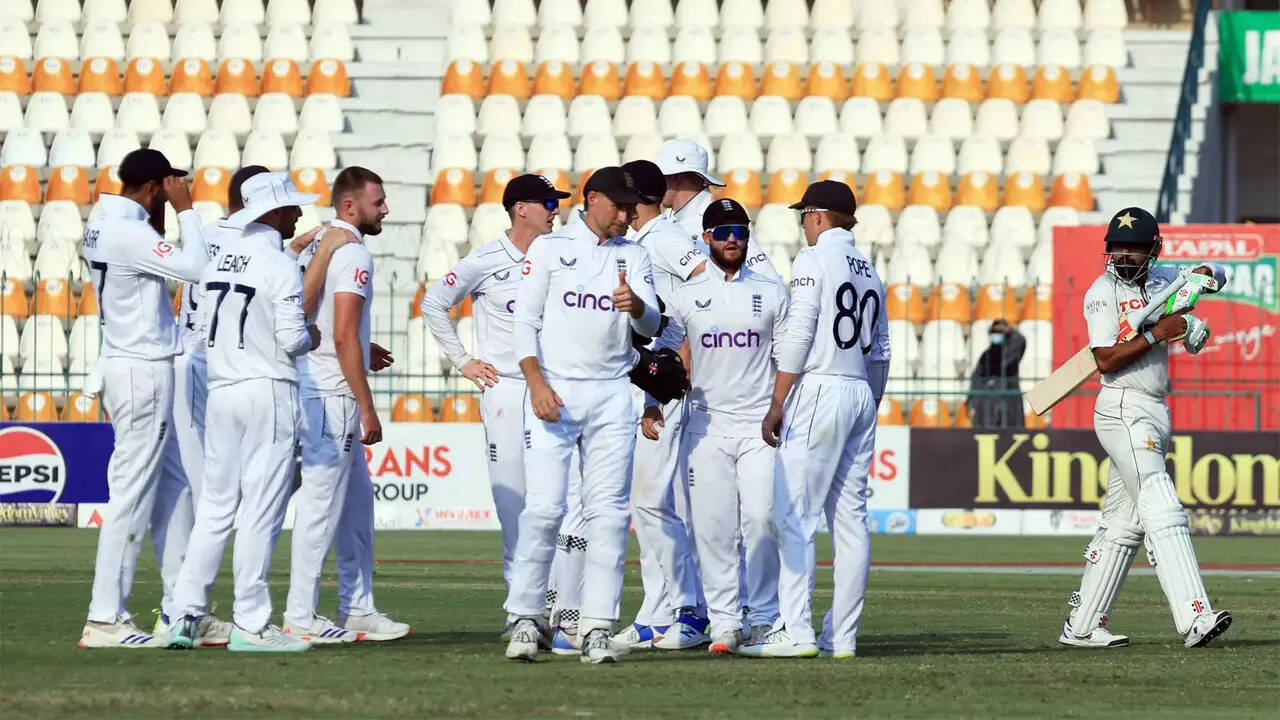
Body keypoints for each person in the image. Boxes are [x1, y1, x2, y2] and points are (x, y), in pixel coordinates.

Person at [421, 173, 587, 649]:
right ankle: (524, 613)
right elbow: (435, 302)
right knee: (514, 502)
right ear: (520, 209)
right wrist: (464, 360)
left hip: (551, 390)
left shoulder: (560, 257)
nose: (555, 211)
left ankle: (561, 608)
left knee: (559, 501)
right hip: (506, 392)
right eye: (547, 204)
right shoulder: (488, 259)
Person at [503, 166, 659, 664]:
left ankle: (596, 626)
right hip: (557, 392)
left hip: (614, 393)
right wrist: (536, 385)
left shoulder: (634, 255)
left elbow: (653, 322)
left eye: (631, 205)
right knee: (545, 509)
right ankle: (526, 619)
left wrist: (636, 306)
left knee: (610, 515)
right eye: (619, 204)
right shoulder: (550, 249)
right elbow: (524, 322)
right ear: (592, 200)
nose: (628, 213)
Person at [1060, 207, 1231, 649]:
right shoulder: (1101, 292)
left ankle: (1083, 626)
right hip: (1121, 407)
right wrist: (1159, 333)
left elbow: (1216, 274)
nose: (1123, 255)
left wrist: (1200, 288)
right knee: (1162, 503)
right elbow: (1105, 359)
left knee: (1124, 523)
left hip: (1153, 406)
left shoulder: (1164, 280)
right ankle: (1195, 617)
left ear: (1152, 250)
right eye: (1117, 247)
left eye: (1134, 249)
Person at [164, 172, 321, 652]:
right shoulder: (279, 264)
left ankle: (185, 615)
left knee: (215, 507)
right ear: (270, 212)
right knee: (260, 509)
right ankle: (251, 625)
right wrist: (316, 337)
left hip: (221, 390)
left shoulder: (215, 258)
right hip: (267, 390)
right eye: (291, 206)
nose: (297, 213)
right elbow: (294, 339)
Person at [78, 149, 211, 649]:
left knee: (174, 484)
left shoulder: (108, 219)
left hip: (134, 363)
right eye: (170, 183)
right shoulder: (130, 231)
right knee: (131, 494)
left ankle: (183, 608)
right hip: (142, 371)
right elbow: (196, 267)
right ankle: (105, 616)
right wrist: (188, 209)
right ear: (155, 187)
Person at [750, 180, 889, 659]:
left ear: (817, 216)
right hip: (859, 392)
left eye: (803, 216)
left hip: (821, 388)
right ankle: (842, 638)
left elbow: (801, 330)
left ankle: (796, 630)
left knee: (795, 516)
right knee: (851, 522)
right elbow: (881, 353)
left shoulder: (813, 260)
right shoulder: (870, 270)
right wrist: (867, 404)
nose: (803, 226)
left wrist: (778, 399)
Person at [284, 167, 410, 643]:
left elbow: (316, 313)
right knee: (320, 508)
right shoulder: (352, 250)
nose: (386, 210)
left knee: (356, 507)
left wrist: (363, 340)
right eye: (378, 202)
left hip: (321, 385)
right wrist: (367, 405)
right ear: (351, 207)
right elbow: (338, 334)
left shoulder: (323, 247)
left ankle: (358, 609)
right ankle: (300, 615)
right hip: (332, 395)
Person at [655, 198, 786, 655]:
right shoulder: (686, 296)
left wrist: (781, 407)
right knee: (713, 529)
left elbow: (789, 359)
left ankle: (766, 617)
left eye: (741, 231)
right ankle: (727, 623)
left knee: (762, 521)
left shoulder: (771, 291)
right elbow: (666, 356)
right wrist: (653, 404)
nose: (734, 238)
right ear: (706, 237)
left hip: (759, 429)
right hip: (705, 428)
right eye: (724, 230)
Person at [153, 164, 272, 646]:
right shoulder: (250, 245)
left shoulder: (211, 235)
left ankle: (181, 610)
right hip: (208, 364)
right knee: (210, 498)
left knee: (204, 496)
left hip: (198, 363)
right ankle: (180, 612)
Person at [612, 159, 711, 651]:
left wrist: (684, 345)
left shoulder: (665, 237)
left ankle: (691, 610)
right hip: (643, 374)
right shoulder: (640, 243)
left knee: (653, 501)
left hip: (664, 378)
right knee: (644, 504)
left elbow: (705, 278)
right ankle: (656, 611)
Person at [656, 138, 781, 283]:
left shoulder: (722, 221)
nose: (655, 184)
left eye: (660, 177)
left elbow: (770, 283)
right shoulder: (672, 222)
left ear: (676, 177)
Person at [966, 319, 1026, 428]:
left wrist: (1011, 331)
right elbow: (976, 379)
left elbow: (1020, 342)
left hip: (1009, 406)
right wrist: (972, 400)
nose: (996, 335)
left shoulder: (1010, 353)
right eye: (994, 332)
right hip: (988, 407)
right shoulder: (986, 356)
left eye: (999, 333)